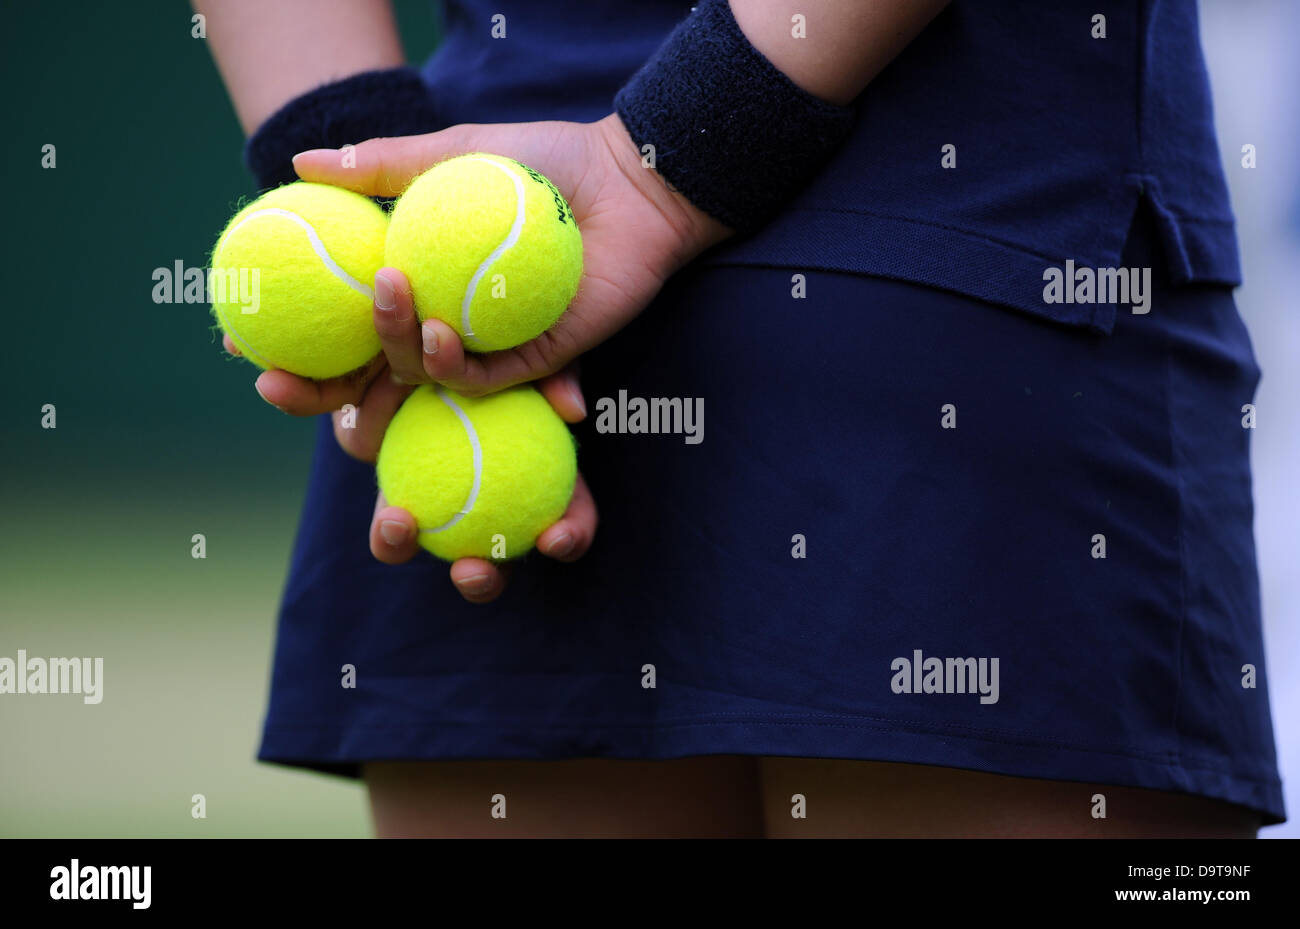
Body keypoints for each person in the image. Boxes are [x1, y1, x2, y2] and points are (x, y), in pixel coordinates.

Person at [198, 0, 1284, 837]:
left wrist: (371, 192)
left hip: (483, 276)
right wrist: (650, 167)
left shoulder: (474, 255)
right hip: (962, 271)